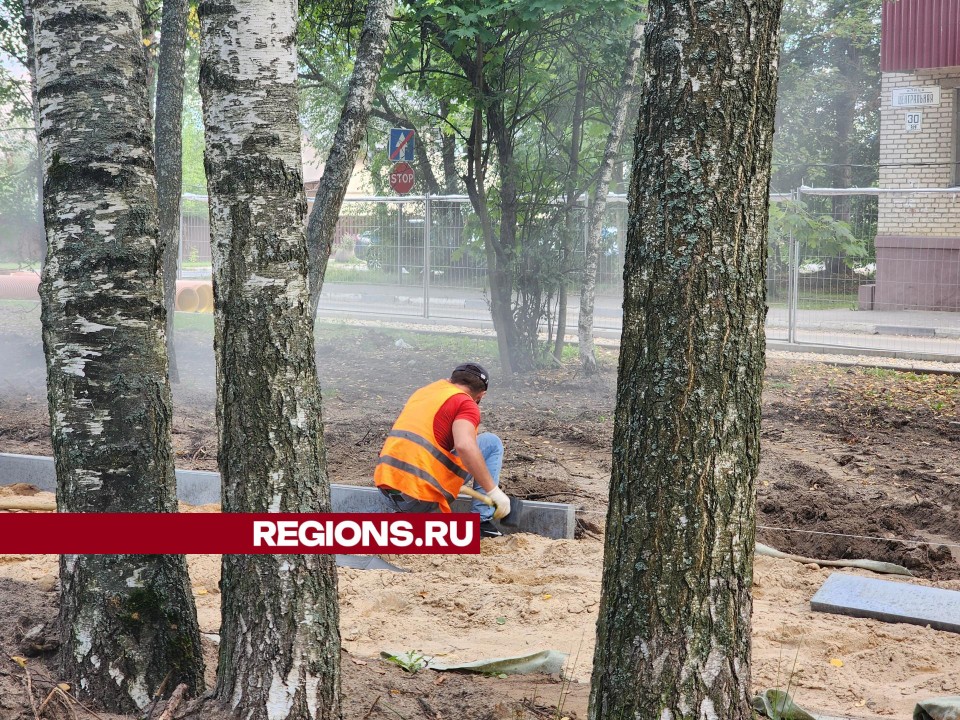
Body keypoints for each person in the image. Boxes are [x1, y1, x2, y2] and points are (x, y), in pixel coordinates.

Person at [374, 363, 511, 538]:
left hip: (387, 492)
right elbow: (464, 446)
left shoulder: (424, 393)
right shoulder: (466, 403)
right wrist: (493, 492)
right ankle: (481, 523)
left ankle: (409, 516)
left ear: (450, 380)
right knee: (491, 443)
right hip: (418, 499)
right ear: (481, 395)